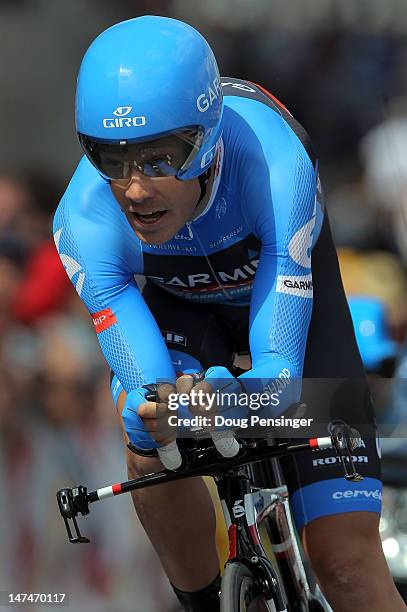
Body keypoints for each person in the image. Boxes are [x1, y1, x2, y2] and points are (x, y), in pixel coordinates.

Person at [53, 15, 405, 612]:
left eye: (162, 157)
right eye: (111, 159)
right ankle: (202, 602)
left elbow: (280, 378)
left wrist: (235, 401)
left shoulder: (274, 165)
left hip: (293, 313)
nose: (136, 189)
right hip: (180, 315)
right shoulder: (83, 219)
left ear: (208, 137)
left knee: (347, 568)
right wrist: (161, 408)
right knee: (145, 435)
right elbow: (144, 388)